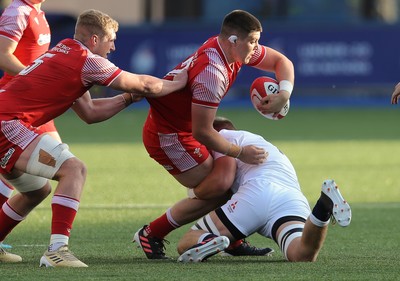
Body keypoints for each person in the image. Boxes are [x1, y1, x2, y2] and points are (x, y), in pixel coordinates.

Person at [0, 9, 187, 267]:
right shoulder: (88, 60)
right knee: (74, 170)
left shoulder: (64, 50)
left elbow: (90, 113)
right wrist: (179, 83)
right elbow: (144, 84)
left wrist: (128, 98)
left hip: (6, 121)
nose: (113, 47)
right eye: (111, 39)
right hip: (7, 124)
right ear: (95, 40)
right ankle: (57, 251)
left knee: (36, 190)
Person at [133, 9, 294, 259]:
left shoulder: (232, 48)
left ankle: (231, 238)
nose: (256, 48)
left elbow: (282, 62)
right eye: (252, 41)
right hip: (170, 136)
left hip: (185, 126)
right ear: (233, 40)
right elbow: (203, 131)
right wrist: (241, 152)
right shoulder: (213, 73)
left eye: (257, 41)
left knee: (225, 169)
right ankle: (152, 233)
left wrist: (284, 93)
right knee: (218, 185)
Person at [175, 117, 352, 262]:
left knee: (185, 243)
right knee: (302, 254)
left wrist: (193, 192)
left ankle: (209, 240)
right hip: (290, 197)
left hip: (255, 193)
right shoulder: (260, 142)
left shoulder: (222, 138)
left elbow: (220, 184)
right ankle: (323, 206)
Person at [0, 0, 62, 250]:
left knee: (52, 178)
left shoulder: (37, 11)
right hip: (17, 104)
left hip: (34, 104)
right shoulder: (18, 11)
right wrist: (35, 79)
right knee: (69, 169)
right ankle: (59, 249)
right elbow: (3, 54)